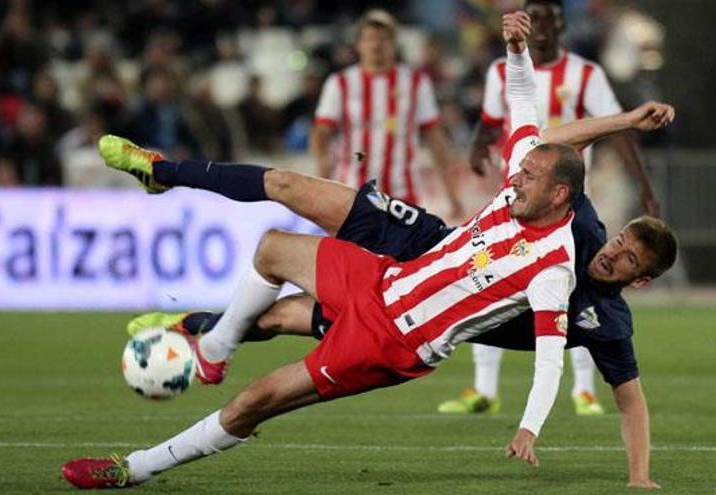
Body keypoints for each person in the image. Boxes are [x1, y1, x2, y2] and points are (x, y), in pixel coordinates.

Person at [62, 13, 674, 489]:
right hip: (385, 274)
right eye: (620, 244)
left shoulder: (554, 268)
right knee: (273, 245)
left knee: (256, 400)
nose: (512, 178)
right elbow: (526, 112)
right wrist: (515, 48)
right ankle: (211, 331)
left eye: (528, 176)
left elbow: (549, 363)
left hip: (394, 338)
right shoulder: (544, 191)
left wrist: (529, 428)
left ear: (559, 193)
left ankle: (134, 468)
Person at [462, 0, 661, 417]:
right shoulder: (503, 69)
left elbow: (618, 125)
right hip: (517, 191)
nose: (544, 29)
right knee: (489, 277)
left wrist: (642, 183)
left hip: (569, 200)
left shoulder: (585, 74)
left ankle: (584, 389)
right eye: (538, 21)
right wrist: (479, 147)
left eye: (553, 20)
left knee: (581, 285)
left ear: (562, 27)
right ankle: (483, 387)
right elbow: (490, 119)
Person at [311, 9, 464, 219]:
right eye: (369, 39)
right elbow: (321, 133)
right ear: (358, 44)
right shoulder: (340, 83)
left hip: (403, 195)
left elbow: (435, 138)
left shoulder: (416, 83)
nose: (376, 45)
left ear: (394, 44)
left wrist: (452, 196)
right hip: (352, 191)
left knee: (401, 253)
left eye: (383, 39)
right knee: (353, 252)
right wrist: (321, 184)